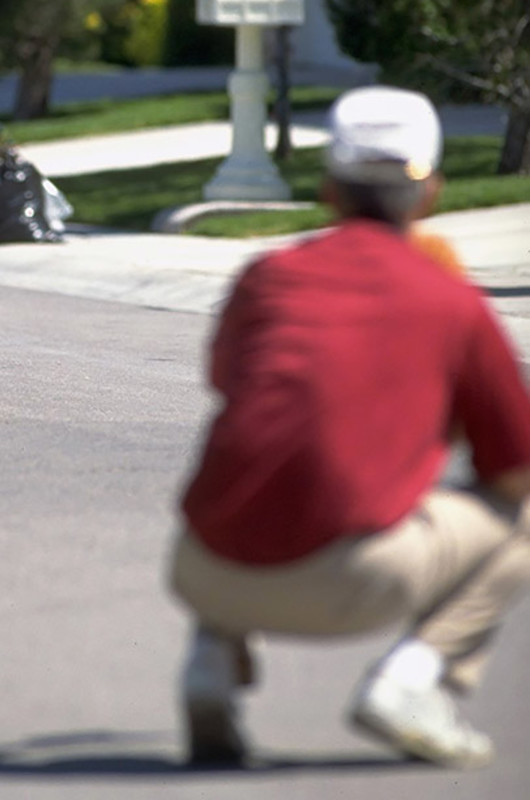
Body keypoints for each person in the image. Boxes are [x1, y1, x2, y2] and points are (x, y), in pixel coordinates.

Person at [169, 85, 530, 771]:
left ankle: (208, 666)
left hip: (203, 566)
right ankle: (411, 684)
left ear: (329, 189)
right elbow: (514, 469)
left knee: (257, 471)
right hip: (353, 586)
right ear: (430, 195)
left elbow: (231, 384)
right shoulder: (452, 303)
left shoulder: (268, 276)